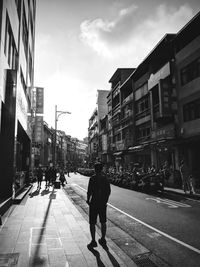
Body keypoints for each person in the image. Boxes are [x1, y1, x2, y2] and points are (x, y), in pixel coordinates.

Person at [86, 162, 111, 249]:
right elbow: (108, 191)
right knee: (103, 221)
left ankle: (93, 241)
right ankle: (103, 239)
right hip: (102, 203)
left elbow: (89, 191)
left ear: (95, 169)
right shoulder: (105, 178)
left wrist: (88, 199)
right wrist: (105, 201)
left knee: (92, 222)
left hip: (94, 203)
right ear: (101, 169)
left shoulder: (92, 178)